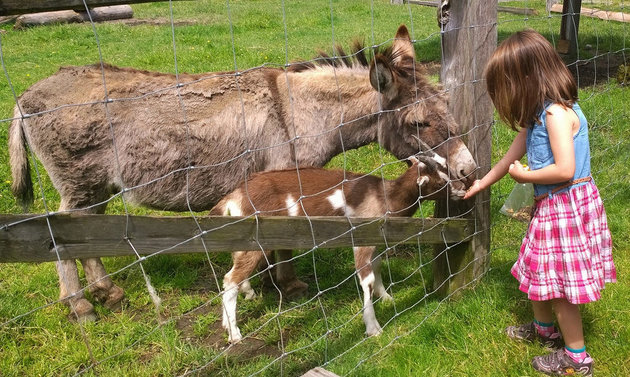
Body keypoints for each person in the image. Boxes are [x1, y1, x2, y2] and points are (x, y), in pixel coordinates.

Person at [464, 29, 617, 376]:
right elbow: (507, 161)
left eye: (508, 85)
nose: (505, 95)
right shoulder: (538, 115)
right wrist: (481, 184)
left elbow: (565, 169)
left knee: (561, 286)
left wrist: (526, 177)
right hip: (552, 209)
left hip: (565, 208)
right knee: (538, 270)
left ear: (528, 78)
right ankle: (544, 330)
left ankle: (577, 357)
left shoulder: (556, 116)